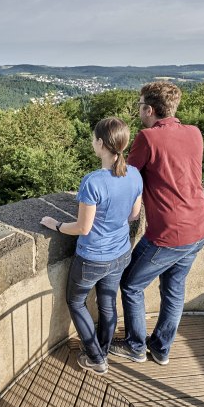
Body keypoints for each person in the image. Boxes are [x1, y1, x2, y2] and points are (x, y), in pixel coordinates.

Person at [109, 81, 204, 366]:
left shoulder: (148, 137)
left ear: (150, 109)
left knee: (130, 284)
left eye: (140, 106)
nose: (139, 111)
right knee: (174, 290)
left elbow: (125, 176)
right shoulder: (194, 133)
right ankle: (161, 349)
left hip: (169, 233)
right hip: (199, 227)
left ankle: (135, 346)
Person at [40, 117, 142, 375]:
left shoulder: (93, 182)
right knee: (108, 304)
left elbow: (82, 228)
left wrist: (56, 225)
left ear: (100, 143)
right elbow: (133, 215)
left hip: (93, 258)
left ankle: (96, 358)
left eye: (93, 139)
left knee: (76, 302)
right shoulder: (135, 174)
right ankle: (103, 350)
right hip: (121, 253)